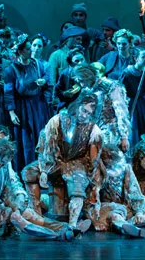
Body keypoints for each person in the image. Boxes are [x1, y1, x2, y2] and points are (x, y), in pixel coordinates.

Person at [36, 92, 103, 229]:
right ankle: (35, 215)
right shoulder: (58, 120)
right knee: (29, 173)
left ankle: (72, 225)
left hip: (77, 163)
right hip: (54, 161)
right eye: (83, 110)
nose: (84, 115)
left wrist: (91, 180)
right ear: (78, 105)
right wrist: (44, 170)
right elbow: (47, 146)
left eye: (88, 113)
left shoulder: (94, 130)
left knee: (78, 185)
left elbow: (94, 160)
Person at [86, 146, 145, 238]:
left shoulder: (125, 168)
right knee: (115, 215)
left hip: (127, 208)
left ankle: (135, 222)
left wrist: (139, 213)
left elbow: (134, 191)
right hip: (109, 209)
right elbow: (92, 200)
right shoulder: (97, 172)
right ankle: (124, 226)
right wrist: (95, 219)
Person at [4, 34, 53, 172]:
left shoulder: (36, 64)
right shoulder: (11, 69)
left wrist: (43, 81)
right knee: (25, 139)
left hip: (36, 106)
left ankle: (40, 169)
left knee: (38, 136)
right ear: (20, 51)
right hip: (22, 107)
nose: (31, 51)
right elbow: (8, 92)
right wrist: (12, 112)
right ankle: (25, 170)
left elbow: (47, 77)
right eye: (27, 49)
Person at [120, 47, 145, 146]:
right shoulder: (127, 73)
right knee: (135, 131)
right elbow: (121, 91)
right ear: (136, 58)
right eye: (143, 57)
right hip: (133, 104)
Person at [52, 46, 88, 112]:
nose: (80, 63)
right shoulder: (65, 73)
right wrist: (64, 93)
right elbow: (57, 90)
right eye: (77, 61)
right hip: (68, 106)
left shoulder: (89, 73)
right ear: (71, 63)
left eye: (82, 59)